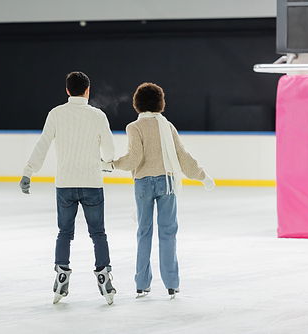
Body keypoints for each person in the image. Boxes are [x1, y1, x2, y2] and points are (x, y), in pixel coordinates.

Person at [19, 71, 117, 305]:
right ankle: (104, 276)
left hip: (65, 184)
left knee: (64, 233)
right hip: (92, 183)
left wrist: (28, 171)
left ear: (67, 90)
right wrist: (105, 164)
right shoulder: (98, 115)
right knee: (98, 233)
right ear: (87, 90)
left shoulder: (56, 114)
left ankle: (62, 274)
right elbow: (111, 151)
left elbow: (43, 144)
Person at [111, 82, 215, 299]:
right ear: (160, 103)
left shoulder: (134, 127)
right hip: (166, 183)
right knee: (168, 233)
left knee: (144, 233)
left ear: (137, 104)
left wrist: (113, 164)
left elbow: (133, 159)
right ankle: (171, 283)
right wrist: (202, 176)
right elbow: (183, 157)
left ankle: (141, 283)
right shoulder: (166, 126)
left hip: (143, 183)